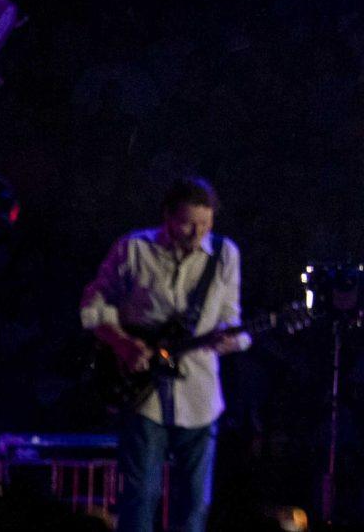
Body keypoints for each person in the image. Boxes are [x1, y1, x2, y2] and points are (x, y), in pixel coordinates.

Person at [81, 177, 245, 532]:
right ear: (167, 216)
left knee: (195, 503)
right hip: (143, 393)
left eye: (205, 223)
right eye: (188, 223)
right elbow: (92, 307)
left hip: (199, 394)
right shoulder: (133, 249)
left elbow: (232, 317)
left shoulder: (225, 254)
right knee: (140, 496)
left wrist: (234, 341)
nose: (196, 233)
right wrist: (122, 343)